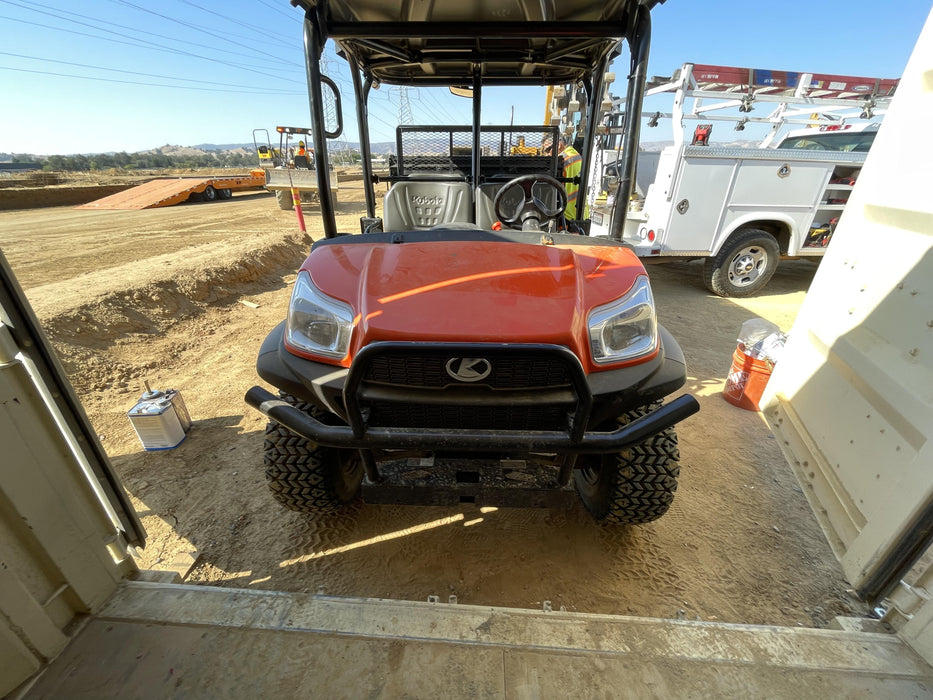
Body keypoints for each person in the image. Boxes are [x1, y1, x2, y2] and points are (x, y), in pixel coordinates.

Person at [543, 135, 587, 221]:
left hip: (566, 216)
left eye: (548, 150)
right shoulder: (576, 155)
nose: (548, 154)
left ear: (558, 145)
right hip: (581, 213)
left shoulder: (562, 161)